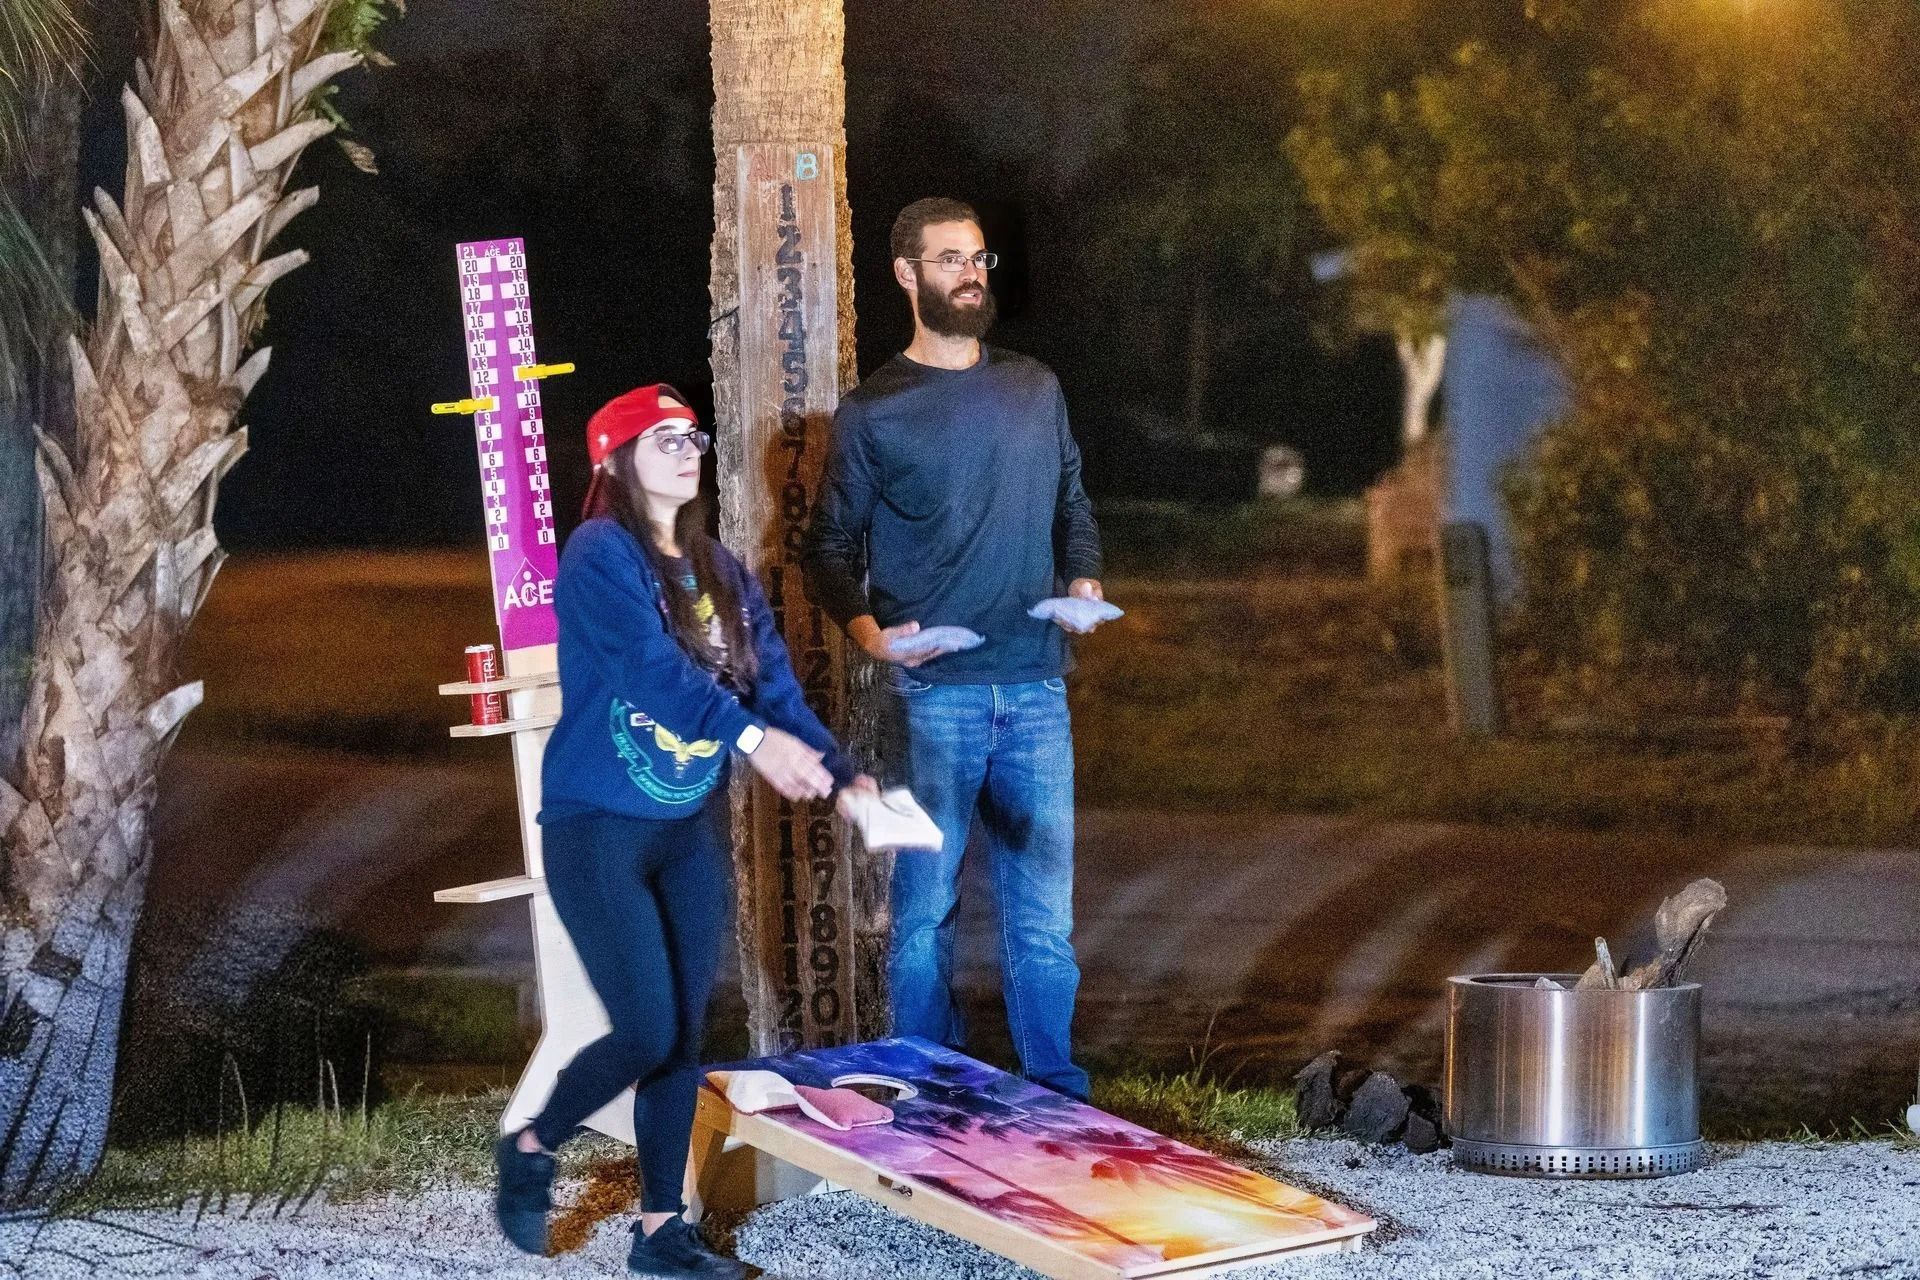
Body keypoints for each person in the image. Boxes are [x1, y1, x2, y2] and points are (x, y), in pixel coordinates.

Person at [494, 385, 874, 1278]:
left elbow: (774, 692)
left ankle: (661, 1232)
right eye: (660, 438)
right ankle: (533, 1143)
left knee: (685, 1037)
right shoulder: (596, 555)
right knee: (645, 1027)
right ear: (613, 461)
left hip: (683, 830)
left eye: (691, 434)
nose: (684, 447)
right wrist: (749, 739)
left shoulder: (723, 575)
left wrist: (849, 782)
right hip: (597, 827)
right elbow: (648, 670)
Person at [802, 198, 1108, 1101]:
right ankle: (928, 1088)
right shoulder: (875, 412)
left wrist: (1084, 580)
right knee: (923, 915)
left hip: (1037, 690)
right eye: (948, 261)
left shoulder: (1034, 387)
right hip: (928, 701)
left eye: (978, 259)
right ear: (906, 274)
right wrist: (868, 636)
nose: (970, 275)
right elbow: (826, 546)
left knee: (1044, 919)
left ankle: (1056, 1092)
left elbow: (1073, 505)